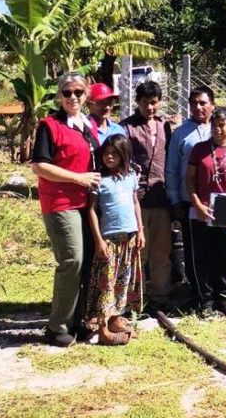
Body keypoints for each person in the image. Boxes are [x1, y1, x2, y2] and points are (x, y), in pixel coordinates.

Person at [31, 73, 101, 347]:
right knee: (72, 261)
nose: (73, 97)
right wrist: (78, 178)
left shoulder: (86, 124)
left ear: (86, 96)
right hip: (61, 203)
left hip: (87, 204)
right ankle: (57, 326)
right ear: (59, 95)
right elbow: (40, 165)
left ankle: (80, 320)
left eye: (79, 92)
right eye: (68, 92)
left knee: (87, 263)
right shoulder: (50, 126)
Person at [85, 134, 144, 344]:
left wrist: (140, 230)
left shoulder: (131, 177)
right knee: (106, 283)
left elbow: (135, 203)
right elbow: (91, 210)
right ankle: (102, 328)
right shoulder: (99, 180)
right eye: (106, 154)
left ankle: (116, 318)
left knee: (124, 281)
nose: (109, 157)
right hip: (109, 239)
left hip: (128, 238)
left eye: (114, 154)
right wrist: (99, 240)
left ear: (123, 155)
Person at [187, 108, 226, 315]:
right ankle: (206, 300)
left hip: (224, 212)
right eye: (214, 125)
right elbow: (190, 181)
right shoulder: (199, 149)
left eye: (222, 125)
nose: (218, 129)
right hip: (200, 210)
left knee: (224, 257)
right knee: (202, 256)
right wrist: (198, 205)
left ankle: (224, 297)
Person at [121, 78, 174, 306]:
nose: (149, 107)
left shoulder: (166, 126)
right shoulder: (126, 127)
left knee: (162, 250)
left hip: (162, 196)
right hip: (138, 198)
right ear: (138, 102)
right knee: (138, 250)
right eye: (145, 102)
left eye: (153, 102)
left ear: (160, 102)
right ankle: (136, 298)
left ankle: (160, 295)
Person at [166, 86, 214, 302]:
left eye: (203, 102)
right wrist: (175, 200)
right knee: (195, 249)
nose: (198, 107)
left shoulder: (221, 128)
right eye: (194, 103)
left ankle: (218, 291)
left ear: (212, 105)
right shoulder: (180, 133)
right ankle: (197, 292)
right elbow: (172, 169)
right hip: (191, 201)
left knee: (218, 249)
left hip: (219, 201)